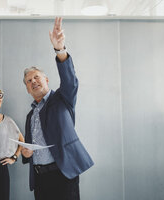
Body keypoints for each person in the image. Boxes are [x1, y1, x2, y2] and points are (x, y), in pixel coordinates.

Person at [21, 17, 94, 200]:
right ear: (28, 89)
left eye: (36, 77)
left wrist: (59, 49)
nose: (33, 82)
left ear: (46, 80)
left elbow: (70, 80)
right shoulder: (31, 115)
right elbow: (29, 149)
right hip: (40, 178)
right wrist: (26, 153)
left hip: (63, 174)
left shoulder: (62, 98)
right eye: (29, 81)